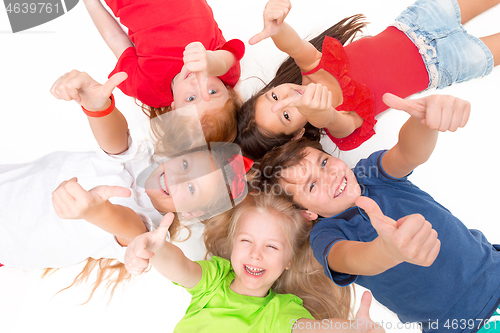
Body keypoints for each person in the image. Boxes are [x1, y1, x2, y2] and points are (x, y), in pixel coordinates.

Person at [254, 92, 500, 332]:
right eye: (312, 185)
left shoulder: (372, 174)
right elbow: (351, 258)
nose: (329, 177)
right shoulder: (326, 236)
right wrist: (387, 251)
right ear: (307, 213)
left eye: (324, 163)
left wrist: (424, 121)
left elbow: (408, 152)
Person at [0, 70, 249, 299]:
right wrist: (99, 107)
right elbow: (115, 142)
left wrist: (96, 211)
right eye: (185, 166)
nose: (177, 179)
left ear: (192, 212)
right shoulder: (141, 159)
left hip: (11, 238)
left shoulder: (148, 226)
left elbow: (127, 227)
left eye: (191, 188)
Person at [236, 0, 500, 160]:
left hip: (417, 23)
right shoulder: (338, 127)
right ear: (297, 135)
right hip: (446, 63)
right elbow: (336, 121)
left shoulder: (313, 70)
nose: (287, 100)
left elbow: (293, 45)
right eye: (285, 116)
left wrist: (277, 28)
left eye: (273, 96)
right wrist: (323, 115)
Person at [124, 193, 385, 332]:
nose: (256, 254)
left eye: (271, 246)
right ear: (233, 245)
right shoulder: (215, 280)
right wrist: (156, 248)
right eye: (246, 241)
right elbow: (181, 268)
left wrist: (351, 331)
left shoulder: (280, 311)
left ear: (288, 261)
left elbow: (311, 330)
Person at [82, 0, 245, 142]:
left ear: (173, 109)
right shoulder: (223, 71)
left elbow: (115, 38)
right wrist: (213, 61)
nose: (196, 82)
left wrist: (90, 3)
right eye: (212, 91)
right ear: (228, 90)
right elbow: (237, 48)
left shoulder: (149, 88)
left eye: (190, 98)